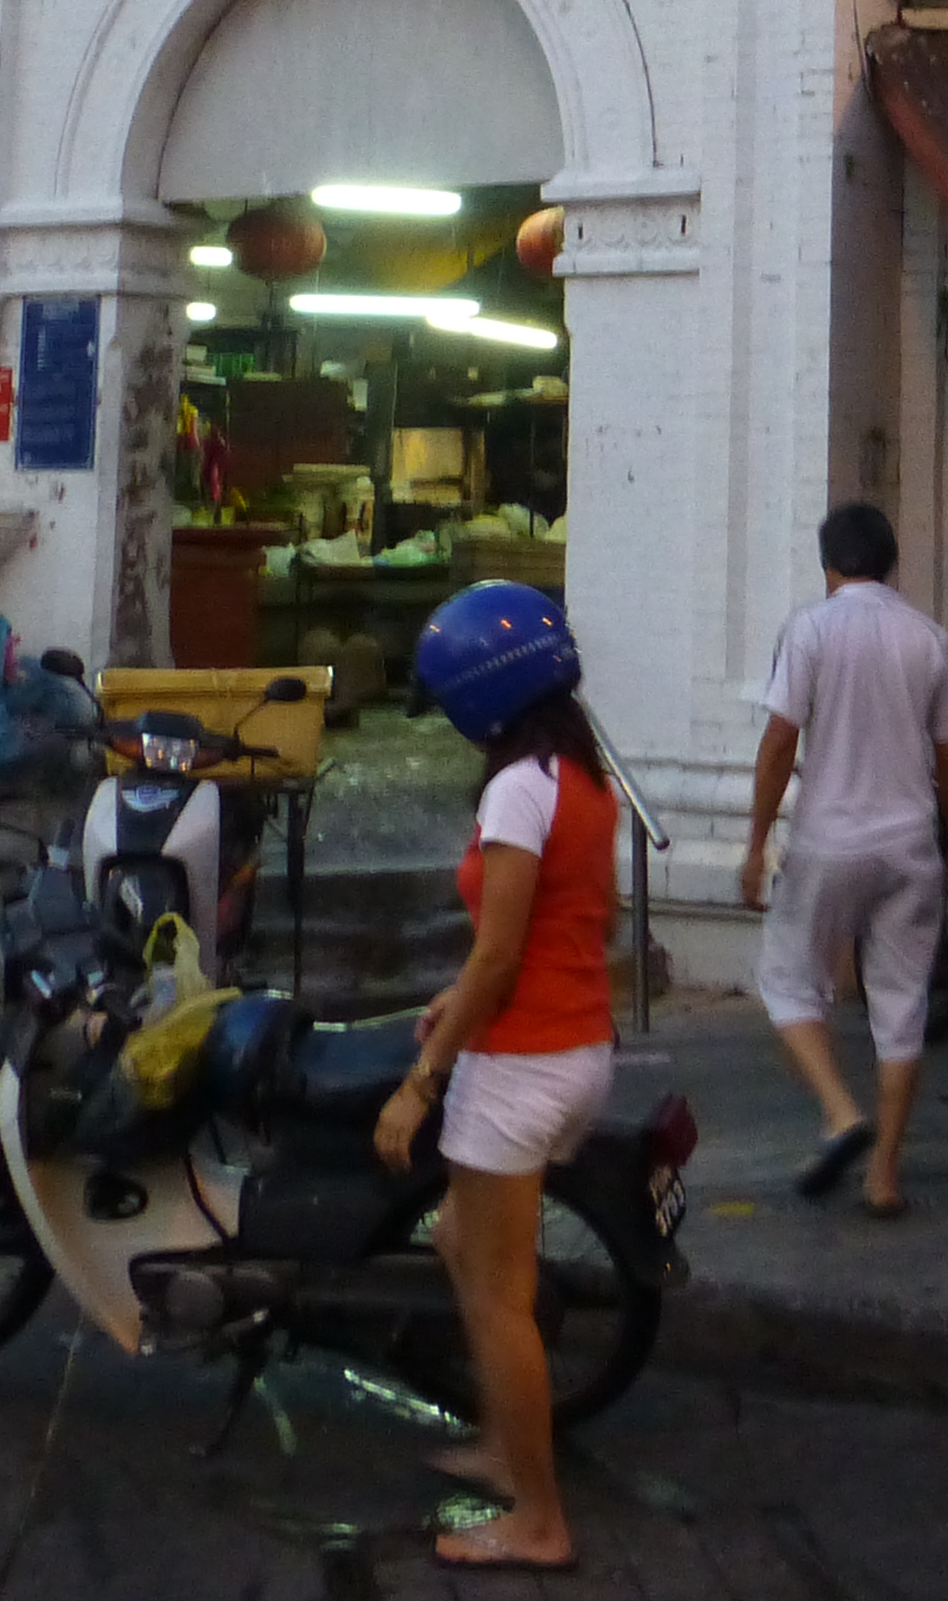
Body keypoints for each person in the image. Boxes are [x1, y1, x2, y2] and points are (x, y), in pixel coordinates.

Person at [377, 579, 621, 1568]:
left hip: (521, 1065)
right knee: (455, 1244)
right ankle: (500, 1445)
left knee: (496, 1296)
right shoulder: (581, 777)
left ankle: (539, 1519)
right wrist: (459, 1002)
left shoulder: (521, 788)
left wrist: (421, 1079)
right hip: (566, 1046)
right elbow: (545, 933)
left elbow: (501, 955)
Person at [737, 500, 948, 1216]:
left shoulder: (809, 630)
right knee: (902, 1009)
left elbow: (780, 743)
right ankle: (883, 1176)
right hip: (910, 846)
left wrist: (756, 844)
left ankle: (840, 1110)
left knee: (787, 980)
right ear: (889, 564)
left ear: (828, 566)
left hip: (828, 844)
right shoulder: (930, 639)